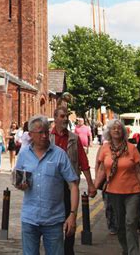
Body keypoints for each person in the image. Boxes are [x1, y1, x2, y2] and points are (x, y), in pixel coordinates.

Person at [15, 115, 79, 255]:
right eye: (40, 133)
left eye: (46, 132)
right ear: (31, 134)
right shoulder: (24, 154)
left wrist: (72, 215)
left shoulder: (59, 154)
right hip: (30, 218)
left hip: (53, 220)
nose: (44, 136)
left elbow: (73, 185)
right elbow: (17, 178)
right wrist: (20, 185)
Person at [51, 106, 97, 255]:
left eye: (66, 116)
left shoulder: (73, 138)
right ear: (56, 118)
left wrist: (90, 184)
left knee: (70, 218)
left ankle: (68, 250)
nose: (65, 119)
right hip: (52, 184)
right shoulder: (48, 138)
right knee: (53, 219)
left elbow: (83, 162)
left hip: (70, 186)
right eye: (62, 116)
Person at [94, 119, 140, 255]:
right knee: (120, 225)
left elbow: (138, 170)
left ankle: (134, 252)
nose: (116, 130)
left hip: (133, 191)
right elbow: (102, 170)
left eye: (119, 128)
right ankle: (126, 250)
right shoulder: (104, 149)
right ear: (109, 132)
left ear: (123, 132)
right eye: (113, 128)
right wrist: (95, 186)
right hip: (114, 192)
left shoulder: (131, 148)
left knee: (131, 222)